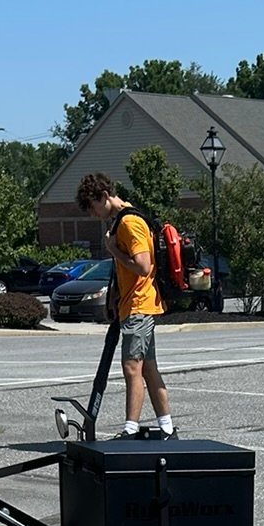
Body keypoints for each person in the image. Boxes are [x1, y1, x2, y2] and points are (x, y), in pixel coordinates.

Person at [75, 171, 175, 438]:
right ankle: (167, 427)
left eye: (95, 207)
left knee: (132, 367)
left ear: (105, 197)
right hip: (136, 304)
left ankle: (130, 430)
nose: (94, 214)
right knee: (149, 368)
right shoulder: (126, 218)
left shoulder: (129, 223)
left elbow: (143, 266)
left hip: (139, 306)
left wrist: (113, 250)